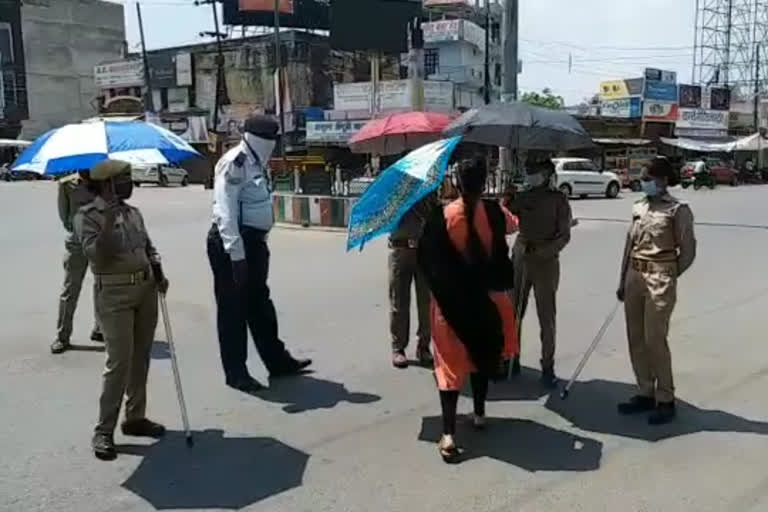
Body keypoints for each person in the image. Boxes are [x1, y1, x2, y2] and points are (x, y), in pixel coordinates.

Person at [418, 159, 519, 463]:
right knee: (482, 353)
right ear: (485, 181)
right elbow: (515, 226)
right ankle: (479, 413)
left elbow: (428, 260)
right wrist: (505, 203)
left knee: (448, 367)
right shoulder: (494, 212)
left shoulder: (443, 215)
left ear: (457, 183)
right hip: (490, 300)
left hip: (453, 304)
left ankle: (448, 434)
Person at [207, 114, 311, 393]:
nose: (272, 145)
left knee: (260, 303)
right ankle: (236, 373)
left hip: (254, 243)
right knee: (233, 309)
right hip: (232, 244)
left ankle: (278, 362)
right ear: (258, 140)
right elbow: (224, 212)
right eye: (270, 140)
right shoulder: (234, 163)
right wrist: (236, 255)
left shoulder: (256, 162)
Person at [74, 160, 168, 461]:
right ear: (107, 183)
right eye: (124, 178)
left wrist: (157, 270)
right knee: (119, 362)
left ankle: (135, 417)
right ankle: (103, 430)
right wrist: (108, 223)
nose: (130, 183)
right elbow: (96, 258)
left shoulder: (134, 213)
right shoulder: (87, 216)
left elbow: (147, 246)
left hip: (145, 290)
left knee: (140, 357)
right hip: (113, 294)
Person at [616, 157, 696, 425]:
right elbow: (629, 245)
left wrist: (668, 275)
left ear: (662, 180)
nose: (643, 181)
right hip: (634, 274)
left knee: (655, 339)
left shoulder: (678, 210)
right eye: (643, 177)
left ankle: (665, 397)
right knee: (635, 337)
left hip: (660, 276)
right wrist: (621, 280)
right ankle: (645, 390)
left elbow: (687, 251)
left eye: (648, 177)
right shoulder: (639, 206)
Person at [506, 159, 572, 387]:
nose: (530, 175)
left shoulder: (558, 200)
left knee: (546, 316)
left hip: (545, 261)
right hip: (521, 258)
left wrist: (544, 250)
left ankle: (547, 365)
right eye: (528, 171)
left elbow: (564, 235)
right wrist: (508, 198)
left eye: (534, 172)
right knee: (514, 312)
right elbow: (507, 219)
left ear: (546, 174)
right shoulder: (523, 196)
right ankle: (511, 358)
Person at [51, 172, 103, 354]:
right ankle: (62, 336)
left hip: (100, 243)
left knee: (102, 288)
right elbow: (64, 216)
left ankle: (99, 329)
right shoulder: (66, 184)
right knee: (70, 290)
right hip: (77, 244)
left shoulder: (104, 181)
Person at [389, 196, 436, 369]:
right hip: (400, 251)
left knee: (426, 302)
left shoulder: (428, 194)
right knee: (399, 302)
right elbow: (388, 218)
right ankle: (398, 348)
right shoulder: (396, 195)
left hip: (425, 252)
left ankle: (423, 347)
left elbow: (436, 220)